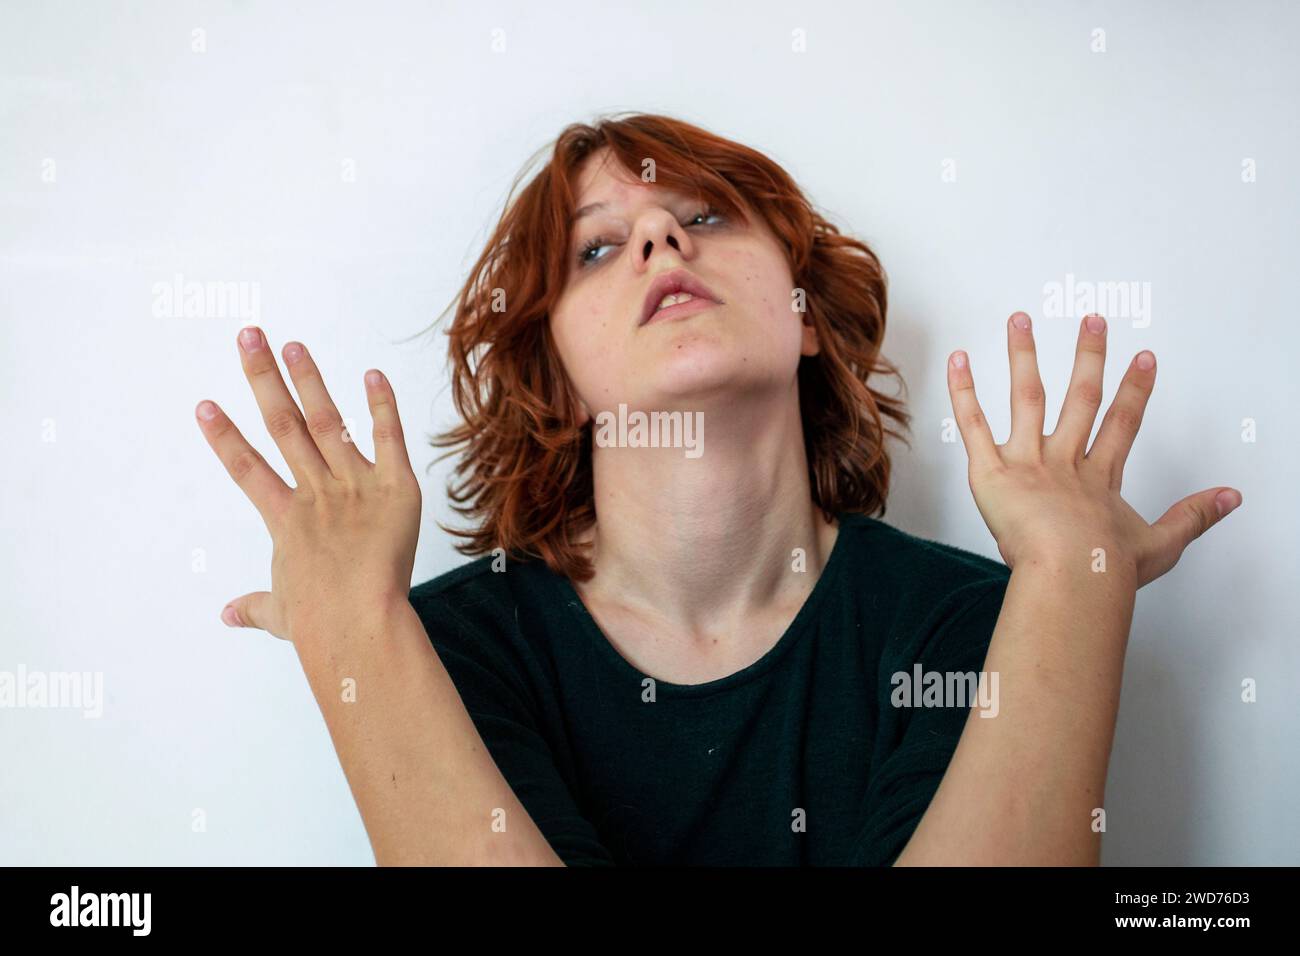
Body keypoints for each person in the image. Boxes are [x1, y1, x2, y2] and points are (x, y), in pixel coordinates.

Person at [194, 112, 1242, 866]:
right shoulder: (444, 648)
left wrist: (1070, 577)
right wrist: (356, 632)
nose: (660, 240)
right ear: (552, 375)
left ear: (805, 317)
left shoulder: (971, 625)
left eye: (706, 214)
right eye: (598, 247)